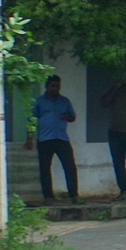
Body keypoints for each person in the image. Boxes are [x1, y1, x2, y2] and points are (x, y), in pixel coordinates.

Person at [27, 75, 79, 203]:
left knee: (70, 167)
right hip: (45, 139)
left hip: (61, 138)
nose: (55, 89)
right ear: (47, 86)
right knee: (45, 169)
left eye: (58, 86)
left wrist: (67, 117)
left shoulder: (64, 101)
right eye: (53, 86)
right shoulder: (39, 102)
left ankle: (74, 195)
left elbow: (73, 117)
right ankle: (48, 197)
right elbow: (32, 121)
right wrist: (29, 139)